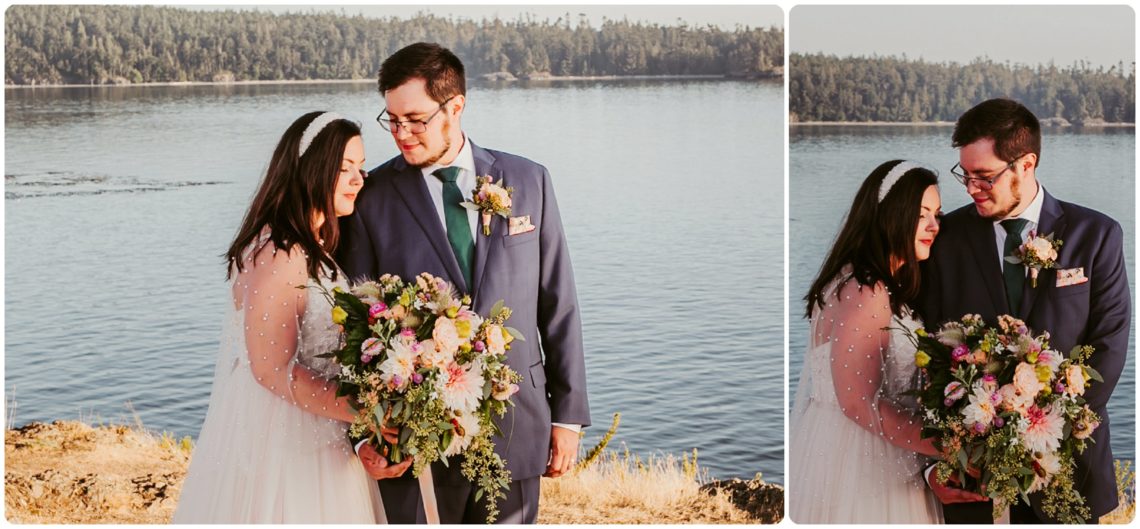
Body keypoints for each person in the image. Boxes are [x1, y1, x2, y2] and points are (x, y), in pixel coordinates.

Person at [337, 42, 591, 524]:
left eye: (415, 119)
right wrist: (366, 433)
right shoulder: (372, 198)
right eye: (391, 119)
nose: (401, 133)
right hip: (412, 435)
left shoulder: (528, 179)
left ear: (455, 106)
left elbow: (558, 305)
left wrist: (568, 416)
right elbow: (354, 330)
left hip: (519, 419)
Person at [173, 111, 410, 523]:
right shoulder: (278, 252)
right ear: (312, 170)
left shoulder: (312, 245)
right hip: (285, 446)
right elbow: (270, 369)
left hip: (323, 434)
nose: (359, 179)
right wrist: (361, 410)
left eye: (362, 167)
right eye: (344, 169)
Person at [919, 98, 1130, 523]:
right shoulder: (948, 239)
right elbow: (929, 353)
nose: (972, 187)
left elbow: (1109, 345)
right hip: (970, 474)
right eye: (965, 174)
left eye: (985, 176)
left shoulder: (1097, 235)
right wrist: (942, 459)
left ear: (1026, 164)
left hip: (1071, 469)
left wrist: (1042, 433)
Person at [789, 159, 951, 523]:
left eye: (937, 214)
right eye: (922, 214)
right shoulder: (867, 290)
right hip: (861, 458)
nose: (934, 226)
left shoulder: (863, 281)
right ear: (891, 215)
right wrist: (946, 445)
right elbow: (860, 404)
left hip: (861, 444)